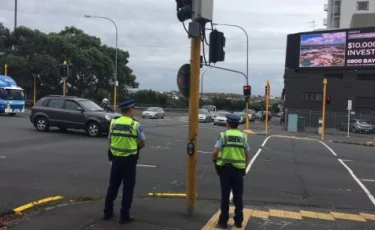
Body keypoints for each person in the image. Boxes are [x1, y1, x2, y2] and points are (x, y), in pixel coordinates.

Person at [103, 99, 146, 224]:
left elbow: (110, 140)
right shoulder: (135, 124)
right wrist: (134, 148)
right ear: (130, 110)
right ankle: (124, 216)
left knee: (113, 186)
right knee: (128, 188)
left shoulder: (113, 122)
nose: (134, 111)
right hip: (129, 161)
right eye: (133, 109)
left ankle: (107, 212)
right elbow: (143, 143)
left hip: (116, 160)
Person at [212, 114, 250, 228]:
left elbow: (215, 152)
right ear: (237, 124)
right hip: (238, 170)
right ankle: (238, 221)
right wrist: (244, 167)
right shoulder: (243, 136)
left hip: (225, 170)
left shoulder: (223, 135)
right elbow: (246, 154)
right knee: (238, 196)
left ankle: (223, 220)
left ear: (227, 123)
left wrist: (215, 163)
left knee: (225, 196)